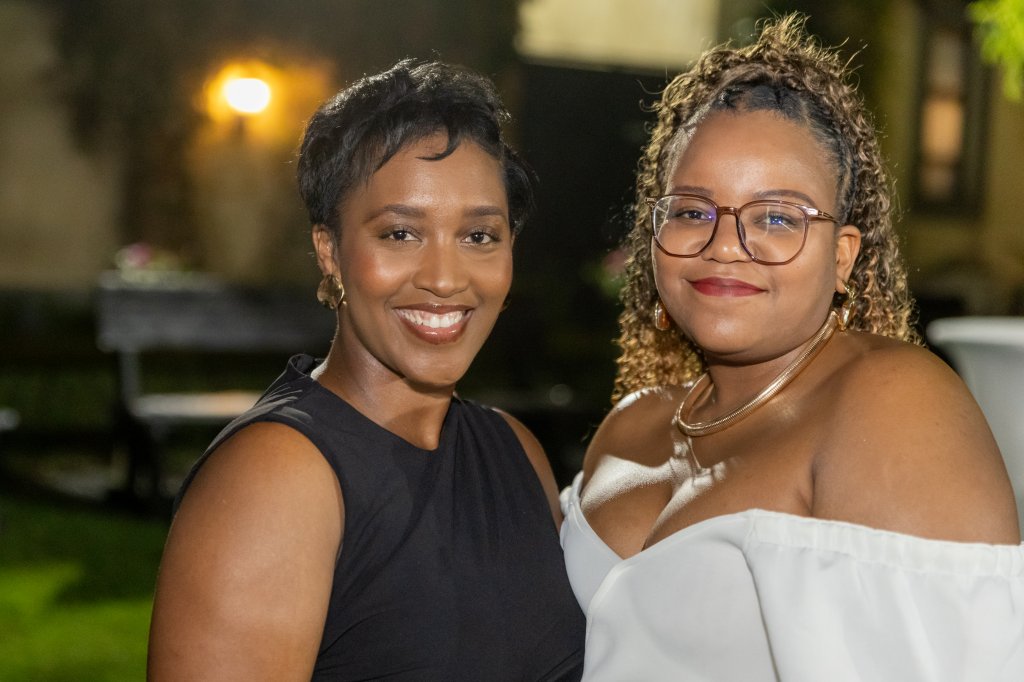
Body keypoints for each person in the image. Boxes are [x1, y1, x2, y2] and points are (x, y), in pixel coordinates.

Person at [560, 15, 1024, 681]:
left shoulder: (889, 404)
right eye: (691, 210)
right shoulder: (631, 425)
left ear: (843, 258)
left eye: (776, 217)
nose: (725, 244)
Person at [148, 59, 585, 681]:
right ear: (329, 251)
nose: (444, 279)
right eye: (401, 234)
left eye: (479, 236)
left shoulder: (514, 450)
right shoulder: (277, 477)